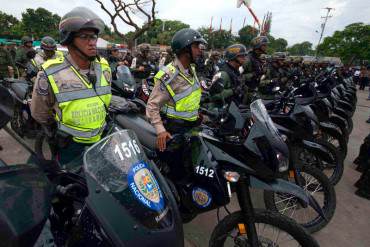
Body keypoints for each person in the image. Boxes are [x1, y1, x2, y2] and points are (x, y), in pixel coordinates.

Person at [31, 7, 112, 167]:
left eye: (94, 37)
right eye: (84, 37)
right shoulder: (50, 72)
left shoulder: (104, 66)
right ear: (68, 40)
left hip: (102, 141)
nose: (92, 42)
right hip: (71, 146)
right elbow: (39, 113)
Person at [146, 28, 206, 152]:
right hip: (174, 131)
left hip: (190, 128)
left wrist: (196, 114)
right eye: (196, 46)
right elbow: (152, 106)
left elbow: (188, 97)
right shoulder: (169, 75)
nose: (200, 50)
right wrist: (160, 131)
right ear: (185, 50)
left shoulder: (191, 69)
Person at [208, 44, 247, 108]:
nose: (244, 58)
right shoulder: (223, 74)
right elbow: (214, 95)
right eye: (242, 56)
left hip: (234, 107)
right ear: (234, 57)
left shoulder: (235, 71)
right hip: (222, 111)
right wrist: (233, 91)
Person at [241, 35, 269, 104]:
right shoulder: (247, 59)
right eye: (264, 45)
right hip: (245, 95)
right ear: (258, 46)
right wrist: (253, 74)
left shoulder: (257, 59)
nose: (266, 47)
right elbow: (236, 76)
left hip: (254, 91)